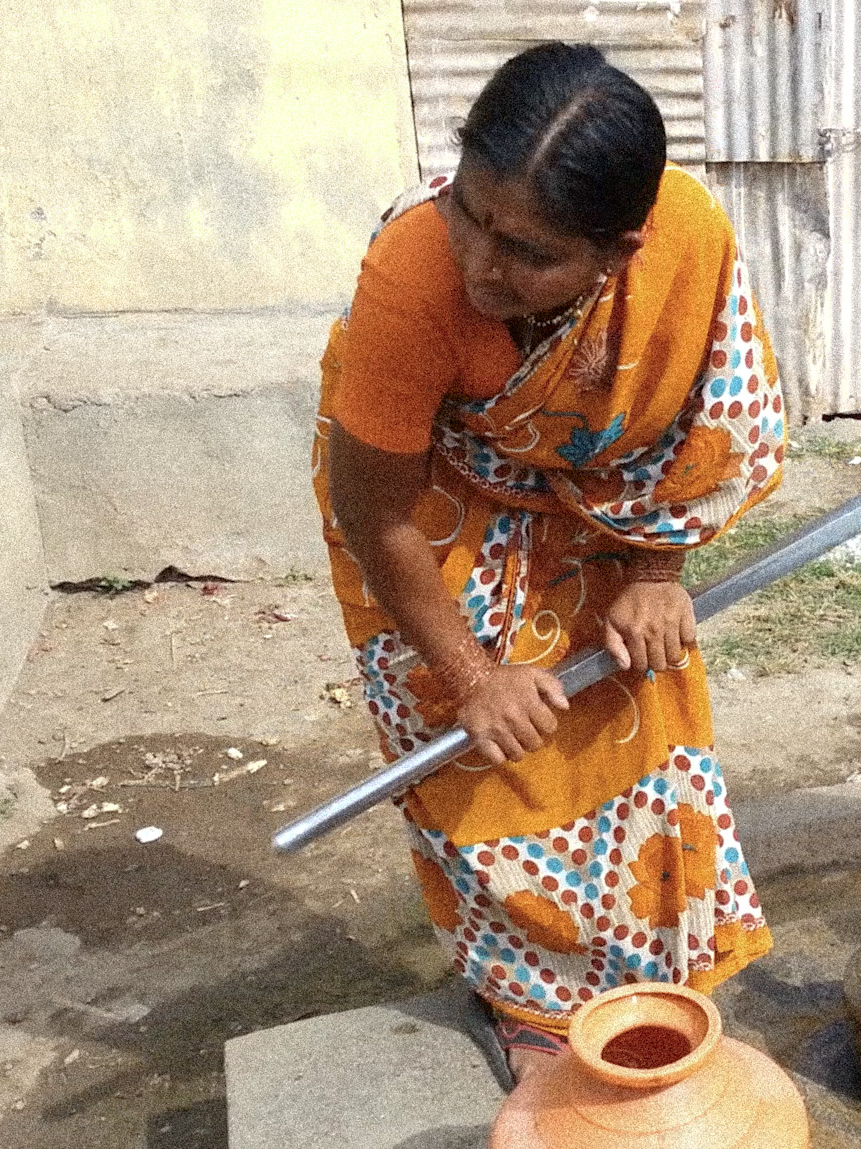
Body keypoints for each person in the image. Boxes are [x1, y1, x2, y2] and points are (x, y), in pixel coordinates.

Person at [310, 42, 784, 1079]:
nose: (482, 263)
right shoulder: (413, 271)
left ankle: (644, 981)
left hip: (607, 509)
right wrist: (470, 676)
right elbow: (371, 504)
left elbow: (700, 423)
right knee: (483, 753)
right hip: (429, 508)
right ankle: (529, 1004)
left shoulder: (685, 244)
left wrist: (654, 574)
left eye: (526, 251)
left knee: (627, 709)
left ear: (615, 255)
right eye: (470, 212)